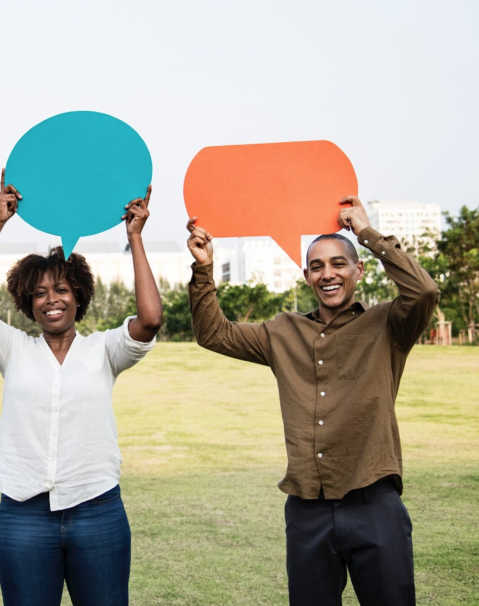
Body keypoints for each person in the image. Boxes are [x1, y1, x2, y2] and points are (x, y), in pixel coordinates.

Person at [186, 196, 439, 606]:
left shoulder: (389, 324)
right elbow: (214, 334)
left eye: (339, 263)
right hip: (307, 511)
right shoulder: (281, 332)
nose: (328, 274)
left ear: (358, 270)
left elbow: (424, 290)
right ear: (306, 276)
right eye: (317, 266)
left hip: (374, 503)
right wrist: (203, 267)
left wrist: (367, 233)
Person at [0, 170, 162, 606]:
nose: (52, 299)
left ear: (79, 296)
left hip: (97, 511)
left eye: (62, 289)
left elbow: (150, 320)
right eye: (40, 293)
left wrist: (135, 237)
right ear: (28, 303)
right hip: (23, 516)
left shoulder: (104, 350)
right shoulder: (12, 349)